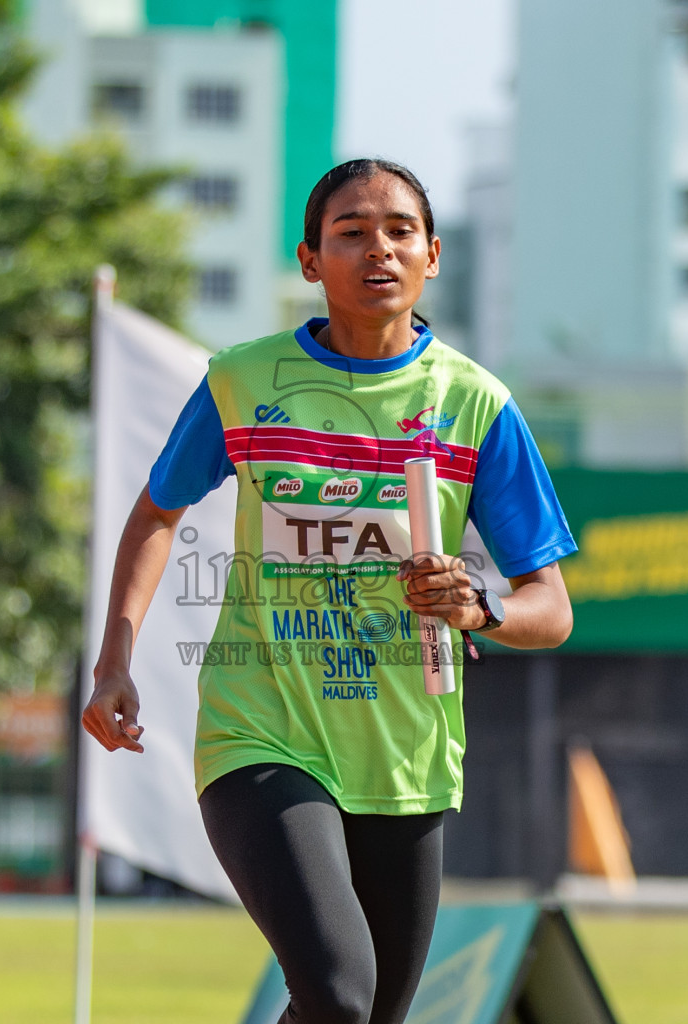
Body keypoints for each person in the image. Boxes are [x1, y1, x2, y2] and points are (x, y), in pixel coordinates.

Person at [83, 159, 577, 1024]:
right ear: (311, 260)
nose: (376, 248)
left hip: (405, 757)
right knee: (341, 993)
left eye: (398, 231)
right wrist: (114, 660)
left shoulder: (477, 405)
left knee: (361, 1016)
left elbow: (552, 607)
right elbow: (157, 514)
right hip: (261, 733)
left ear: (430, 255)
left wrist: (479, 606)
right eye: (350, 232)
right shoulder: (240, 382)